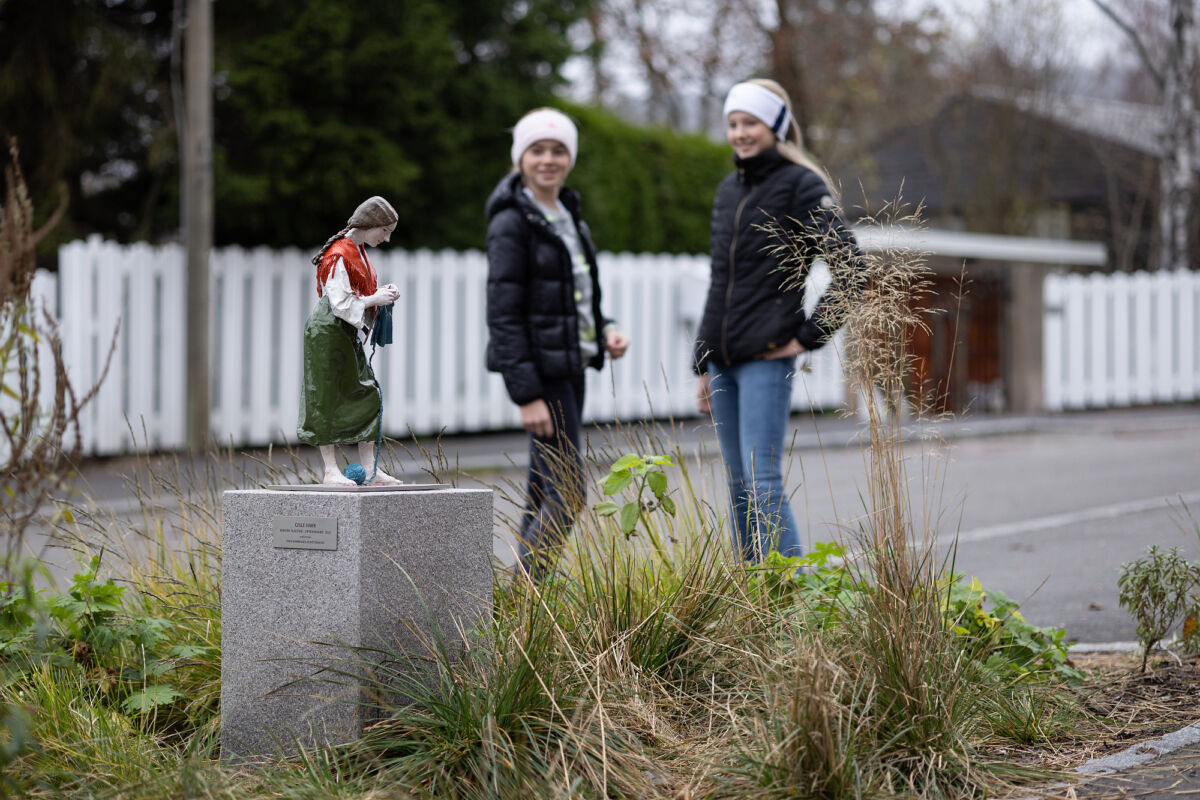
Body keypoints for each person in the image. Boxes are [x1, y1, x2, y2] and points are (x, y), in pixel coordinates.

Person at [694, 79, 864, 563]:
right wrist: (703, 361)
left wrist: (807, 336)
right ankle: (754, 604)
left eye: (750, 123)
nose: (741, 133)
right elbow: (719, 281)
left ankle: (796, 601)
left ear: (774, 126)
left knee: (761, 478)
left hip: (766, 360)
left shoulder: (801, 186)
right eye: (733, 124)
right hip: (723, 361)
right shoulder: (728, 190)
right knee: (738, 484)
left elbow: (852, 270)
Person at [485, 108, 630, 580]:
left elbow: (576, 297)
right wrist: (526, 393)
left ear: (570, 157)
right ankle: (524, 592)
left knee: (540, 491)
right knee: (569, 493)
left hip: (572, 366)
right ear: (520, 158)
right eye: (537, 150)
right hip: (544, 376)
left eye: (558, 150)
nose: (548, 159)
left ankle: (521, 613)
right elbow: (504, 314)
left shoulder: (568, 215)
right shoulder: (512, 222)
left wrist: (604, 327)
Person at [298, 195, 403, 486]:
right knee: (325, 397)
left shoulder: (358, 251)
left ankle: (370, 470)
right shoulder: (339, 253)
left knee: (367, 394)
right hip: (327, 333)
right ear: (370, 224)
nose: (386, 239)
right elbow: (341, 304)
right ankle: (331, 470)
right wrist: (375, 298)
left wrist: (381, 294)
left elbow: (355, 297)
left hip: (345, 332)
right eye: (384, 231)